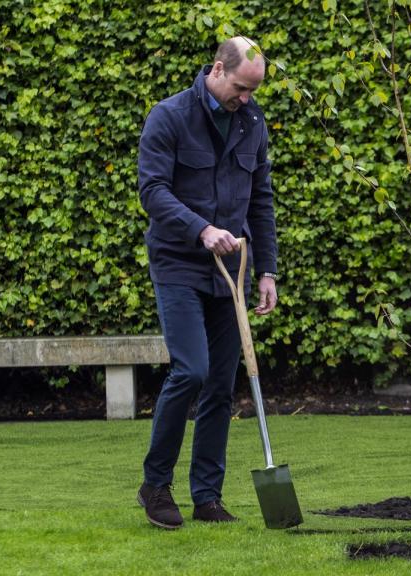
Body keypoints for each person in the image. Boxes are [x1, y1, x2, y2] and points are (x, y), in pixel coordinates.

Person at [136, 36, 279, 529]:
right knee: (191, 371)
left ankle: (207, 497)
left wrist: (267, 270)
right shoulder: (170, 116)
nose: (247, 98)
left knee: (221, 383)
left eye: (253, 91)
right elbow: (151, 191)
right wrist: (201, 228)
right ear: (217, 70)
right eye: (241, 88)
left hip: (232, 269)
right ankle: (155, 485)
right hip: (179, 261)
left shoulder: (252, 121)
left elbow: (261, 197)